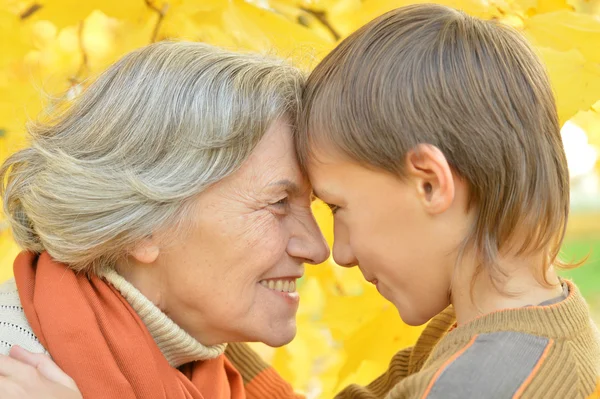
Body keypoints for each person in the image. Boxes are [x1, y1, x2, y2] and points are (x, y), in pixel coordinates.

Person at [295, 3, 600, 398]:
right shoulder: (477, 336)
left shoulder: (476, 385)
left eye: (338, 207)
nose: (341, 253)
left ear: (430, 185)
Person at [0, 40, 329, 398]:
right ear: (145, 228)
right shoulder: (13, 359)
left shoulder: (220, 380)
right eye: (279, 202)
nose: (317, 247)